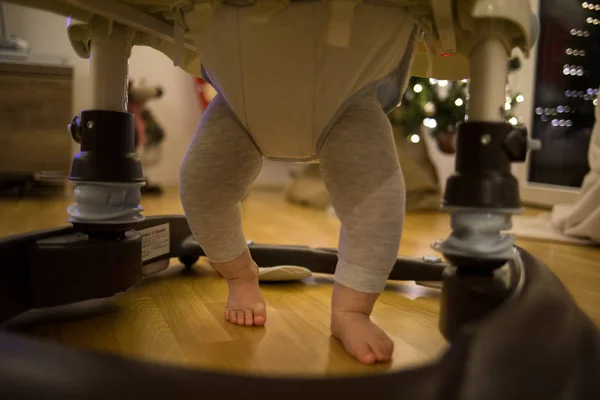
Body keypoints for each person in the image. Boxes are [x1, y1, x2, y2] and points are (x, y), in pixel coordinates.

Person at [180, 2, 416, 365]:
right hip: (240, 93)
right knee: (202, 185)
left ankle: (352, 311)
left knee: (377, 199)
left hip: (348, 86)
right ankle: (240, 276)